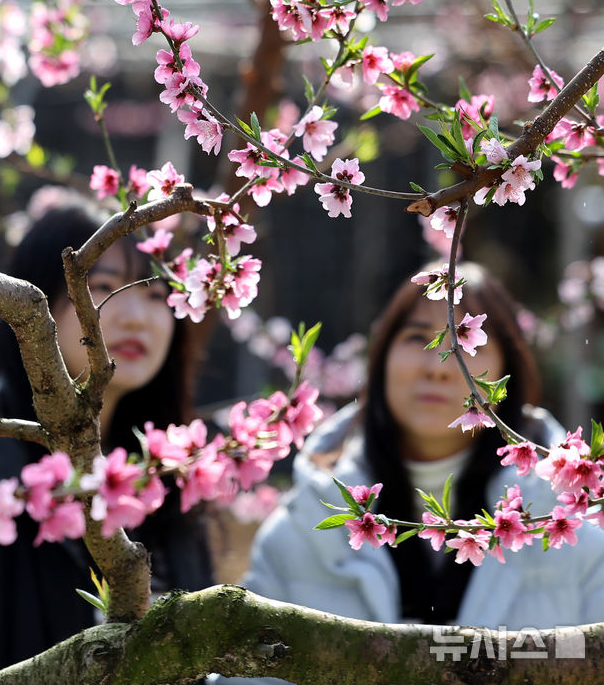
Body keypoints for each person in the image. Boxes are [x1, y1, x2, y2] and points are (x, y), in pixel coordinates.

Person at [0, 196, 212, 684]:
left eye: (155, 293)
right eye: (100, 287)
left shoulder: (166, 485)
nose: (136, 317)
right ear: (32, 306)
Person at [244, 262, 604, 628]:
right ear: (381, 358)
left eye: (465, 341)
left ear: (507, 372)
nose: (439, 367)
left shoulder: (582, 530)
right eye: (418, 338)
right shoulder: (297, 531)